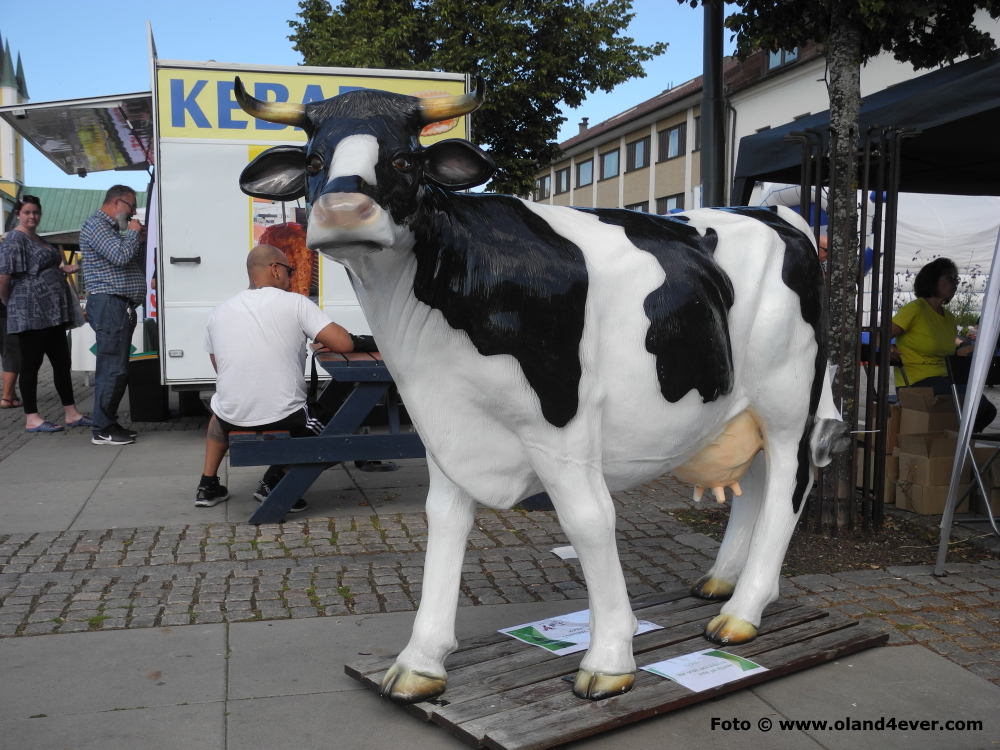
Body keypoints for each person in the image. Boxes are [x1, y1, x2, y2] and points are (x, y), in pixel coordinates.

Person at [196, 244, 356, 510]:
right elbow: (345, 344)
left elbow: (219, 365)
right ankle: (276, 481)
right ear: (275, 270)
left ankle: (207, 485)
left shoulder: (219, 311)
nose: (292, 277)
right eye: (289, 270)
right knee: (341, 430)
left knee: (219, 410)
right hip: (285, 415)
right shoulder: (295, 303)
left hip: (231, 418)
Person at [0, 196, 92, 432]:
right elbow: (4, 274)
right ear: (19, 213)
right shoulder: (14, 239)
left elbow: (39, 267)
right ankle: (32, 417)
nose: (32, 216)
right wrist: (8, 302)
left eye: (36, 213)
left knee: (62, 362)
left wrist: (59, 270)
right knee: (31, 364)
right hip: (30, 312)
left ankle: (71, 412)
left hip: (52, 313)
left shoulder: (38, 238)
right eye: (27, 212)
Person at [891, 257, 997, 432]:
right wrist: (887, 346)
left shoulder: (949, 318)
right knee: (974, 402)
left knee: (988, 411)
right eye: (950, 277)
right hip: (916, 382)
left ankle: (952, 442)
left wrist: (980, 349)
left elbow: (952, 354)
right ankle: (953, 440)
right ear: (933, 280)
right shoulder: (915, 309)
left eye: (957, 279)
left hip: (946, 380)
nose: (956, 283)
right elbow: (880, 333)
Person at [80, 185, 145, 446]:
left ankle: (108, 423)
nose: (132, 214)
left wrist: (135, 239)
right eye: (131, 207)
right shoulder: (97, 225)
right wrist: (132, 233)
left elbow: (124, 257)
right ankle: (103, 429)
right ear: (117, 202)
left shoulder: (109, 230)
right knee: (111, 370)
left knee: (116, 369)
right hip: (110, 305)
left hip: (117, 306)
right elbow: (120, 256)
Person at [0, 287, 21, 409]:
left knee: (6, 352)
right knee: (12, 353)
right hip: (6, 310)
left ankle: (11, 393)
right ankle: (7, 397)